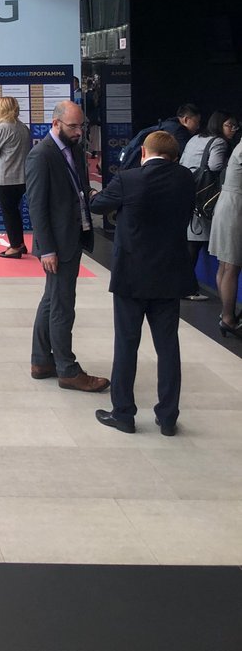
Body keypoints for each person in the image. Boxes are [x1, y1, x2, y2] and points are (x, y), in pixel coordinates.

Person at [89, 130, 196, 434]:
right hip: (170, 276)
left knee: (126, 344)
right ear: (174, 156)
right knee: (168, 347)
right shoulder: (185, 178)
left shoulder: (129, 179)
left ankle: (123, 414)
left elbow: (98, 206)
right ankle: (168, 416)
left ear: (144, 153)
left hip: (132, 277)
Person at [25, 99, 110, 392]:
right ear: (56, 123)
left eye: (81, 125)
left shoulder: (73, 149)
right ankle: (67, 369)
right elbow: (37, 207)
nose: (79, 131)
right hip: (58, 244)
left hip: (73, 236)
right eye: (73, 126)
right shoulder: (41, 155)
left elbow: (77, 189)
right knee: (62, 306)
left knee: (52, 299)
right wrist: (47, 249)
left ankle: (41, 361)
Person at [179, 111, 229, 296]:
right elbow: (215, 166)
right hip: (205, 194)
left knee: (190, 240)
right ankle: (187, 287)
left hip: (189, 188)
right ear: (219, 125)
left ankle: (185, 285)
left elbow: (183, 161)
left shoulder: (194, 138)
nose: (233, 129)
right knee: (195, 243)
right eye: (229, 125)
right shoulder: (219, 142)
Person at [0, 96, 32, 257]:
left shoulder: (1, 129)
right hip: (21, 176)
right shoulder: (23, 127)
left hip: (4, 176)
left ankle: (15, 246)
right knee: (15, 211)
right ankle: (19, 242)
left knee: (8, 213)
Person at [208, 143, 242, 340]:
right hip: (235, 208)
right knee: (230, 265)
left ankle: (225, 315)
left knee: (225, 265)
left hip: (228, 204)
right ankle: (228, 318)